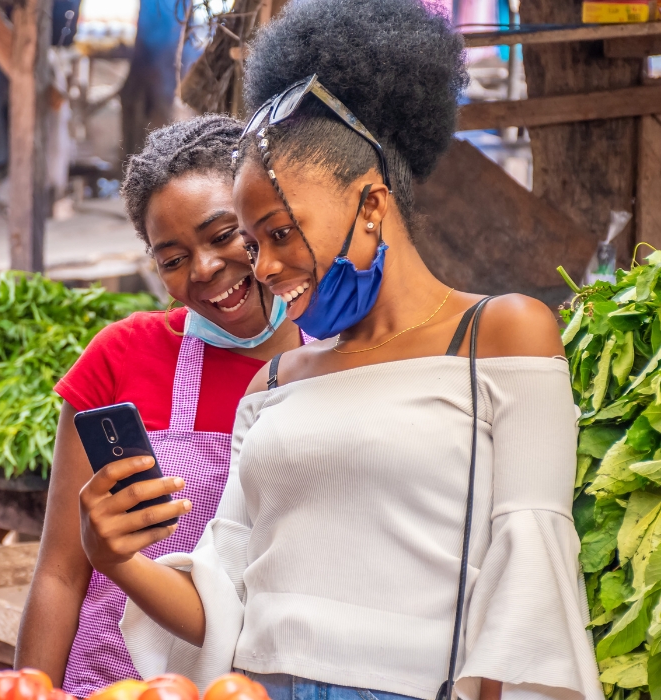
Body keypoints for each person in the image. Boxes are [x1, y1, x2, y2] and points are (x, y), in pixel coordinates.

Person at [76, 3, 604, 700]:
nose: (262, 268)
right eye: (255, 243)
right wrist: (111, 557)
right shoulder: (276, 380)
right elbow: (222, 603)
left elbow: (530, 569)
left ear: (373, 204)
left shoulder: (502, 333)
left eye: (281, 232)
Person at [15, 115, 305, 697]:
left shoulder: (341, 361)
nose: (204, 269)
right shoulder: (121, 356)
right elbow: (60, 572)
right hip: (109, 680)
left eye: (224, 234)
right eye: (172, 259)